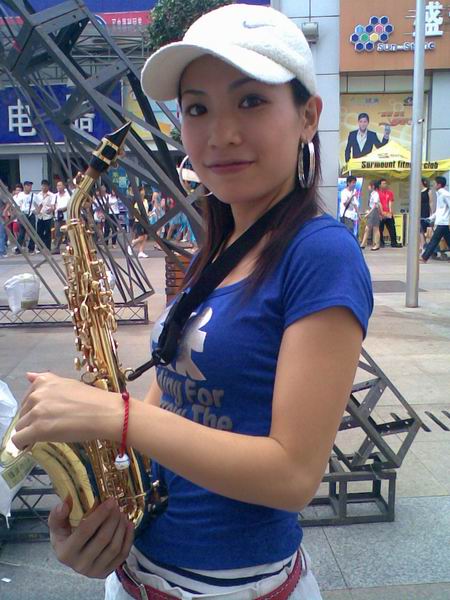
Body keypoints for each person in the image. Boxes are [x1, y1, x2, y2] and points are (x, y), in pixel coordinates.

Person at [12, 5, 373, 600]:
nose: (220, 134)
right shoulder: (222, 241)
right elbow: (172, 396)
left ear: (308, 116)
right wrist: (101, 521)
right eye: (197, 109)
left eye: (250, 101)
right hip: (140, 572)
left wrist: (114, 416)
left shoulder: (321, 253)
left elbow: (293, 475)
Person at [421, 176, 450, 263]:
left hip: (443, 222)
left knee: (434, 240)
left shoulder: (445, 194)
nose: (433, 185)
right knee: (448, 240)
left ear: (439, 185)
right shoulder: (439, 194)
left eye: (434, 183)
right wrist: (431, 218)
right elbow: (439, 210)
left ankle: (424, 258)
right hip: (441, 222)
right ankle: (424, 257)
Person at [14, 180, 39, 254]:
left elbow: (40, 203)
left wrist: (38, 211)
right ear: (24, 186)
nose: (30, 187)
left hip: (31, 214)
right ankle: (18, 248)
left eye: (30, 186)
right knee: (22, 232)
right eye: (28, 186)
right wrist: (18, 213)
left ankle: (31, 248)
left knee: (33, 232)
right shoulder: (20, 195)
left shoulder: (33, 195)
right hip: (23, 214)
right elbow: (17, 205)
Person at [378, 178, 401, 248]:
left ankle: (394, 243)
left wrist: (390, 212)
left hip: (388, 213)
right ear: (380, 185)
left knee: (392, 228)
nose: (385, 185)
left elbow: (390, 202)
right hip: (380, 213)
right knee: (380, 229)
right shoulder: (377, 193)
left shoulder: (389, 193)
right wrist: (381, 213)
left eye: (385, 183)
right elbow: (378, 203)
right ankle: (381, 242)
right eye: (383, 183)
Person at [360, 180, 382, 251]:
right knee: (368, 228)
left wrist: (368, 213)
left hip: (374, 211)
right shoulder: (372, 193)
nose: (368, 187)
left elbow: (375, 205)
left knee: (375, 228)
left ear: (373, 186)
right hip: (372, 211)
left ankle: (376, 244)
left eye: (369, 185)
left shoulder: (375, 194)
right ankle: (363, 243)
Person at [129, 185, 149, 258]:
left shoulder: (146, 200)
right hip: (139, 221)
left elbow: (146, 210)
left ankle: (141, 251)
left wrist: (149, 214)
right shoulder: (137, 203)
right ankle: (132, 244)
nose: (144, 192)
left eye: (144, 190)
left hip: (146, 220)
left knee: (145, 236)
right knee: (141, 237)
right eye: (142, 190)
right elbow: (136, 213)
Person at [36, 179, 55, 251]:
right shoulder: (38, 195)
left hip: (48, 216)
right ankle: (39, 247)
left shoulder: (52, 195)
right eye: (43, 186)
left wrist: (51, 209)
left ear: (48, 186)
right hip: (40, 216)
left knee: (48, 232)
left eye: (45, 186)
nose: (44, 187)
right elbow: (36, 205)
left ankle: (47, 247)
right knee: (39, 231)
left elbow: (53, 205)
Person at [52, 180, 71, 254]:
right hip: (58, 217)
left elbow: (70, 204)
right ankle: (57, 248)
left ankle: (69, 248)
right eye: (57, 185)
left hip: (67, 216)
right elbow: (53, 205)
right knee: (58, 233)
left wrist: (64, 209)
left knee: (68, 233)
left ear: (63, 186)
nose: (58, 187)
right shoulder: (55, 196)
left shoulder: (68, 195)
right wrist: (53, 208)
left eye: (60, 185)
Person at [420, 178, 433, 252]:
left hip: (426, 210)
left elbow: (431, 202)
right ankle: (422, 245)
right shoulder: (418, 191)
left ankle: (427, 245)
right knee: (420, 229)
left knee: (426, 228)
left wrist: (431, 213)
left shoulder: (428, 191)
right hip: (419, 210)